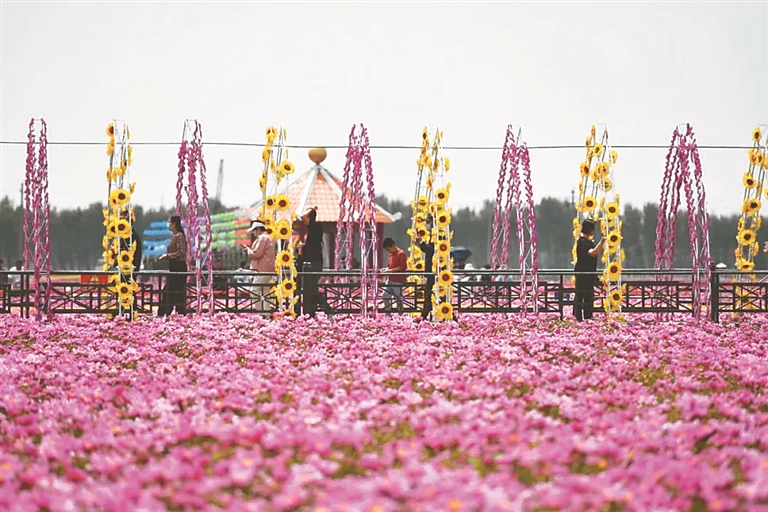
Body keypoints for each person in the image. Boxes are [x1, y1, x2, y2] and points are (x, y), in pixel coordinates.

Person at [573, 218, 605, 321]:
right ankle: (580, 317)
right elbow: (592, 253)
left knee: (587, 295)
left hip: (588, 274)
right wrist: (601, 243)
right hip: (583, 274)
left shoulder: (585, 241)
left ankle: (587, 317)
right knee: (582, 295)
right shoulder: (582, 242)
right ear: (589, 230)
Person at [298, 206, 326, 317]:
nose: (303, 219)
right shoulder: (310, 230)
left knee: (312, 287)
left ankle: (327, 308)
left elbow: (311, 247)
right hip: (309, 263)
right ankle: (311, 312)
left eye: (305, 217)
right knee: (309, 287)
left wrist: (312, 210)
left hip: (315, 262)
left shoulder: (316, 228)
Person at [157, 215, 187, 316]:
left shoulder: (179, 236)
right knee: (171, 292)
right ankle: (172, 313)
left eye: (170, 222)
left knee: (170, 291)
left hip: (178, 267)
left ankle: (165, 312)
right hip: (174, 267)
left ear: (174, 224)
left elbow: (181, 252)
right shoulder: (175, 236)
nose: (168, 224)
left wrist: (168, 256)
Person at [244, 220, 276, 315]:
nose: (253, 233)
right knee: (264, 292)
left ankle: (262, 312)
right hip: (268, 269)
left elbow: (257, 254)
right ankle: (266, 313)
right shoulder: (268, 238)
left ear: (258, 229)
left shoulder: (262, 238)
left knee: (254, 291)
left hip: (262, 270)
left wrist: (248, 251)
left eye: (254, 231)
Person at [381, 237, 407, 314]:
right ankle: (388, 313)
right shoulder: (392, 254)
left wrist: (390, 270)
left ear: (392, 245)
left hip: (398, 280)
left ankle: (400, 314)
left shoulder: (401, 253)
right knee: (385, 295)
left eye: (388, 249)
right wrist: (386, 269)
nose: (388, 251)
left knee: (398, 298)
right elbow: (390, 266)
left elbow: (402, 266)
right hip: (390, 279)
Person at [417, 218, 435, 320]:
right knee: (428, 293)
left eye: (429, 222)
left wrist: (421, 243)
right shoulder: (433, 234)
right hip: (430, 270)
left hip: (434, 271)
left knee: (430, 293)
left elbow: (430, 251)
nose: (428, 225)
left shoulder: (438, 234)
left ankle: (424, 315)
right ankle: (425, 314)